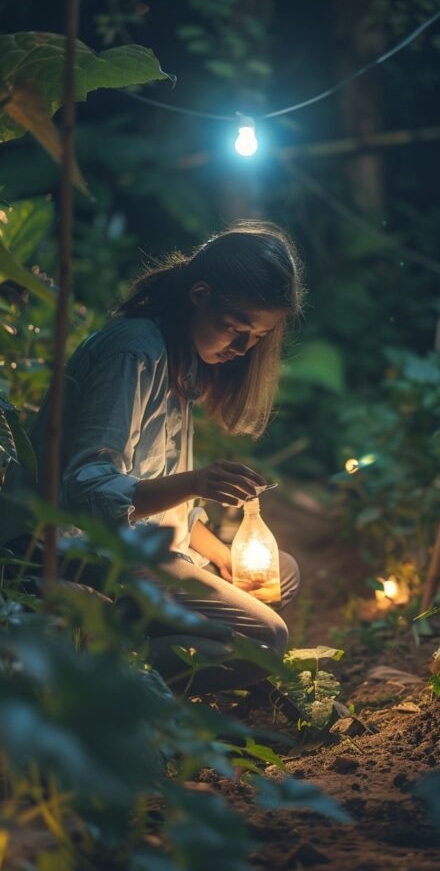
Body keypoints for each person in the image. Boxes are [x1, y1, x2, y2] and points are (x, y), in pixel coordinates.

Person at [0, 221, 304, 694]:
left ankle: (145, 634)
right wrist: (196, 482)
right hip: (66, 550)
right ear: (199, 295)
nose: (242, 349)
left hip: (135, 547)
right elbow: (87, 490)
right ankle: (107, 670)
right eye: (236, 329)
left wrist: (224, 557)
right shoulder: (134, 352)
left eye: (257, 337)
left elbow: (154, 501)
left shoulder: (178, 360)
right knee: (266, 638)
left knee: (279, 571)